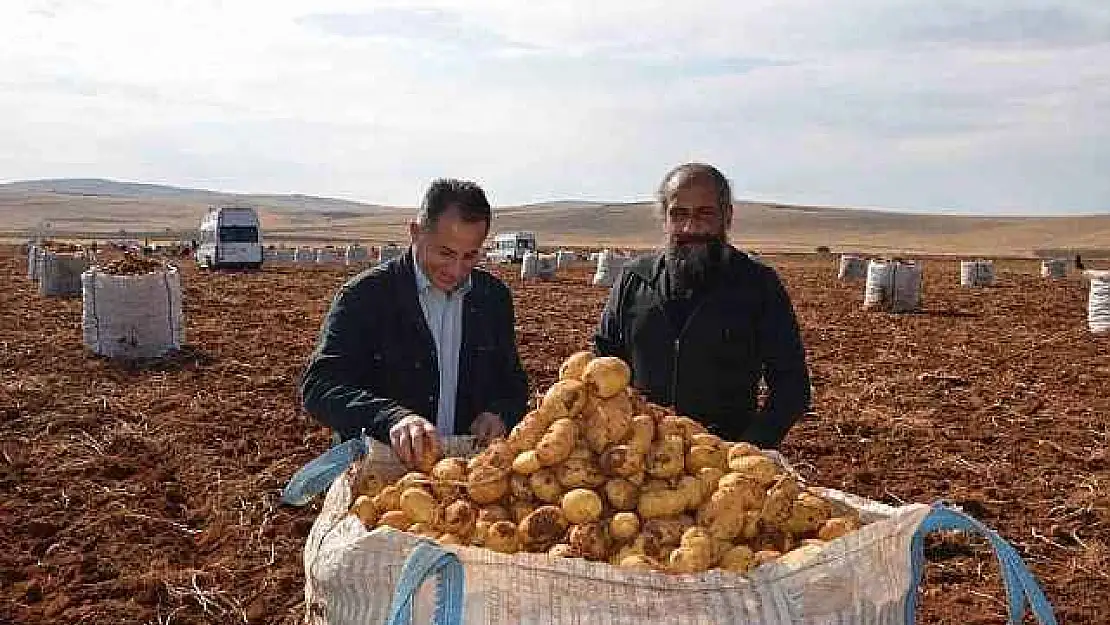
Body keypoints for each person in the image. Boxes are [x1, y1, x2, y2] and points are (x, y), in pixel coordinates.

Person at [299, 178, 530, 469]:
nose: (457, 270)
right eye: (445, 253)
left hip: (465, 478)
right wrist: (392, 418)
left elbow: (513, 383)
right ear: (415, 232)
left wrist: (500, 413)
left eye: (470, 255)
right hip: (381, 477)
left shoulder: (492, 298)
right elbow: (320, 386)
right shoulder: (365, 296)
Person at [593, 162, 812, 449]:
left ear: (727, 216)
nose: (690, 227)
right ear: (664, 218)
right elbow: (603, 359)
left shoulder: (758, 286)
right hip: (641, 459)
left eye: (705, 214)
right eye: (679, 214)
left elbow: (791, 387)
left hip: (721, 466)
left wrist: (749, 449)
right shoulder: (634, 280)